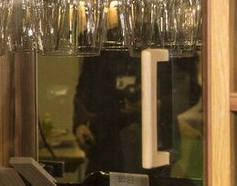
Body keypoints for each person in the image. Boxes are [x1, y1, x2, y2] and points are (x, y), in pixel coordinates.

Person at [72, 50, 201, 174]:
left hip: (157, 146)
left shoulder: (171, 39)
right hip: (106, 145)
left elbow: (190, 91)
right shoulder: (104, 41)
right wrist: (81, 124)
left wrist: (156, 105)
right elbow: (85, 89)